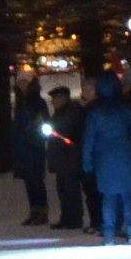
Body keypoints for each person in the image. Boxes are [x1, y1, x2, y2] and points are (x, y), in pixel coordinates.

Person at [83, 72, 131, 243]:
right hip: (127, 157)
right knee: (128, 197)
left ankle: (109, 234)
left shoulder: (94, 112)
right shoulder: (125, 107)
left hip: (104, 161)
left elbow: (88, 140)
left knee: (108, 199)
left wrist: (87, 163)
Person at [49, 84, 88, 230]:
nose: (52, 101)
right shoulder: (61, 113)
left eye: (55, 98)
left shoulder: (71, 112)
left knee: (70, 189)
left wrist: (66, 142)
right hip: (63, 157)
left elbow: (70, 134)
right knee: (63, 189)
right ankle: (67, 218)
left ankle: (73, 219)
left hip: (69, 157)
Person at [14, 80, 52, 226]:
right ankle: (34, 210)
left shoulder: (36, 102)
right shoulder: (21, 102)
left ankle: (41, 211)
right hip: (24, 146)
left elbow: (43, 121)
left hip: (33, 146)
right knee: (29, 180)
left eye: (24, 84)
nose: (22, 86)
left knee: (36, 180)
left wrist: (33, 133)